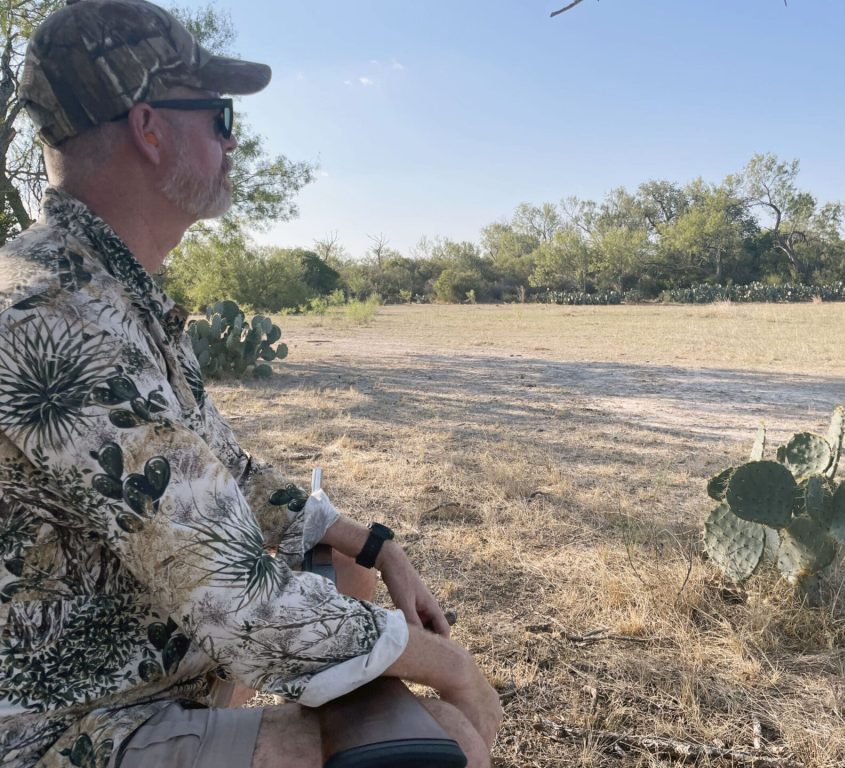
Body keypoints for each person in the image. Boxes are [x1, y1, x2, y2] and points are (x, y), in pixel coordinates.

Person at [0, 1, 501, 767]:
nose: (235, 141)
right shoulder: (53, 318)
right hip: (68, 727)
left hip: (152, 671)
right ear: (149, 128)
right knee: (451, 738)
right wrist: (455, 668)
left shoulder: (105, 285)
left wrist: (375, 544)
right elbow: (248, 609)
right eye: (222, 117)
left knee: (346, 572)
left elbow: (223, 470)